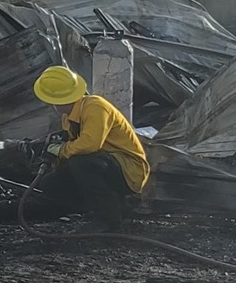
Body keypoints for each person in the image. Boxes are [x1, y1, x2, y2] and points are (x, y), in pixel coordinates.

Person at [29, 65, 149, 228]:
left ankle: (109, 221)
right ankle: (113, 207)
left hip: (129, 169)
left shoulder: (95, 106)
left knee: (82, 164)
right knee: (51, 183)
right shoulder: (69, 118)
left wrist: (61, 150)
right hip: (106, 165)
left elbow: (90, 145)